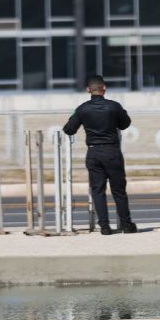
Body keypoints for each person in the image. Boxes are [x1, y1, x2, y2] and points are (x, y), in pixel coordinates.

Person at [63, 75, 137, 235]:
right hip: (112, 151)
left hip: (93, 151)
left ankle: (104, 226)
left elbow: (68, 129)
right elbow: (125, 124)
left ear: (88, 90)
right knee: (119, 190)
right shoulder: (114, 106)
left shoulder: (83, 108)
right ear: (104, 89)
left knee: (97, 190)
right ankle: (126, 224)